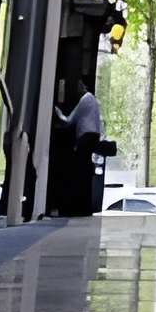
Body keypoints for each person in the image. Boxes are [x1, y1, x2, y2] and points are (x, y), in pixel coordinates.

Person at [54, 78, 103, 217]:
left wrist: (58, 112)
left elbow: (69, 121)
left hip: (85, 137)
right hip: (93, 137)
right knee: (85, 171)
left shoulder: (85, 99)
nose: (78, 88)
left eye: (80, 85)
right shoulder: (92, 100)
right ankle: (85, 206)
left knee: (79, 172)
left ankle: (77, 206)